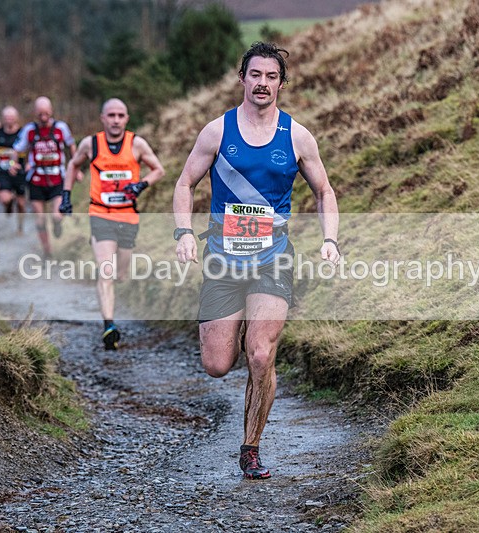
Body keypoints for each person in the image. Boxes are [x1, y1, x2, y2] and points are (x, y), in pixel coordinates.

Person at [172, 42, 341, 480]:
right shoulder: (216, 132)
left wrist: (330, 240)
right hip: (222, 262)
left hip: (273, 259)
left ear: (281, 83)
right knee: (216, 364)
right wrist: (184, 232)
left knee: (261, 355)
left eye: (271, 76)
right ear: (242, 78)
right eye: (255, 75)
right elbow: (185, 183)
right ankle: (241, 334)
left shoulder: (298, 136)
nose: (262, 83)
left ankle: (250, 448)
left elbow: (325, 191)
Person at [61, 98, 165, 350]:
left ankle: (110, 311)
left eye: (120, 115)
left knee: (120, 273)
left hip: (128, 215)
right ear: (103, 118)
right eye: (111, 115)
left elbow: (158, 170)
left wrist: (141, 184)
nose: (116, 120)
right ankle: (109, 325)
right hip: (101, 214)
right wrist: (66, 195)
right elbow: (73, 164)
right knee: (106, 273)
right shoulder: (91, 143)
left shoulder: (136, 144)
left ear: (126, 118)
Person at [12, 96, 79, 258]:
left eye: (46, 113)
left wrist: (76, 167)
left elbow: (71, 145)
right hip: (36, 179)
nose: (43, 117)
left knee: (56, 215)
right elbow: (16, 149)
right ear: (35, 113)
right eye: (40, 114)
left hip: (57, 178)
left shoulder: (61, 128)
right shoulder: (29, 130)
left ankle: (57, 224)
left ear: (51, 111)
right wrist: (13, 164)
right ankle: (47, 251)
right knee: (40, 220)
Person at [0, 105, 26, 232]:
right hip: (3, 171)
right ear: (3, 119)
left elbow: (28, 149)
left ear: (16, 118)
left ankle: (20, 228)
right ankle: (9, 203)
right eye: (6, 117)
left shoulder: (22, 133)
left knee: (22, 204)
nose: (9, 120)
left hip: (19, 171)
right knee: (5, 198)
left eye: (11, 117)